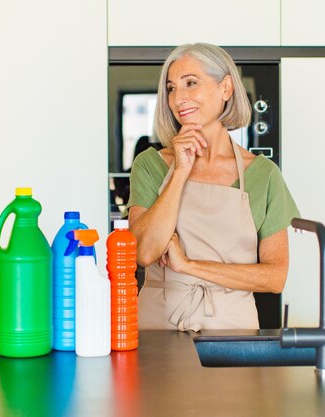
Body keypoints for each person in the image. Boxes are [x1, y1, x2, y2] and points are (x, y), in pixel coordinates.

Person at [126, 43, 299, 331]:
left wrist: (188, 265)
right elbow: (142, 253)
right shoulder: (150, 165)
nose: (178, 98)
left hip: (232, 333)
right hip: (158, 331)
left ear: (226, 88)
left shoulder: (262, 175)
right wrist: (181, 170)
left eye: (190, 83)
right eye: (171, 88)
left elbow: (274, 277)